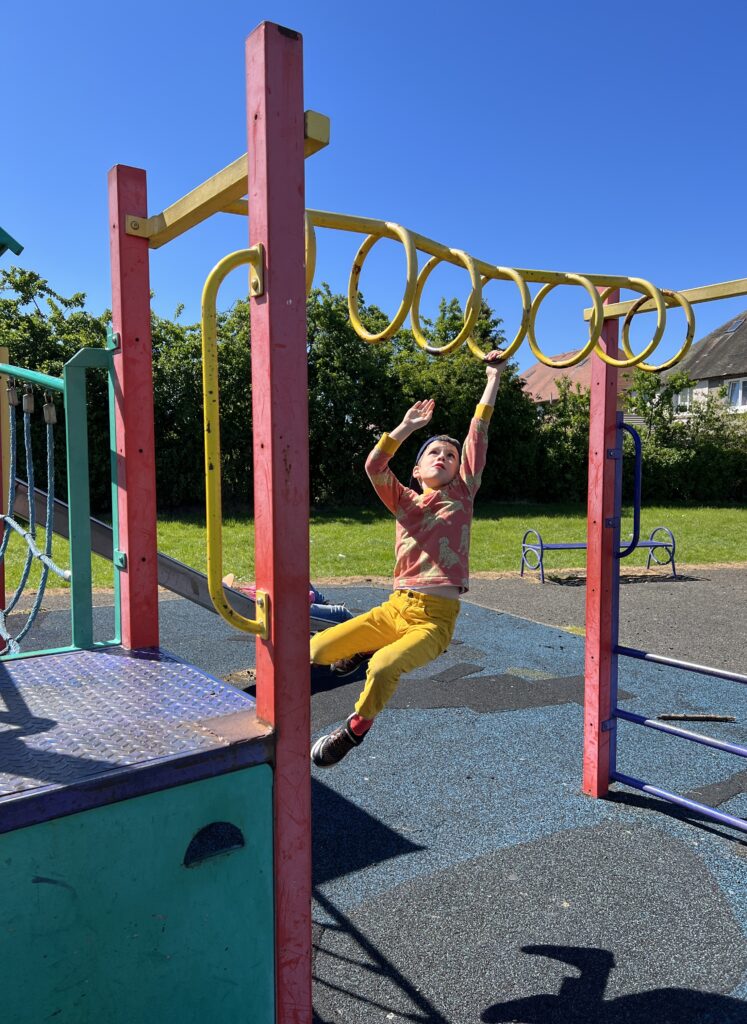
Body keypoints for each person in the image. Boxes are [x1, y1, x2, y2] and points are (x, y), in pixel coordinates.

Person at [310, 349, 506, 767]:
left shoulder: (462, 494)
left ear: (460, 470)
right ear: (416, 470)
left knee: (383, 667)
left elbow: (479, 432)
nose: (444, 457)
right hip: (395, 608)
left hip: (435, 619)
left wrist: (493, 376)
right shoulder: (404, 501)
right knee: (315, 651)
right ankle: (358, 651)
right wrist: (406, 426)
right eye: (434, 453)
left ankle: (353, 731)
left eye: (451, 456)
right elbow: (375, 463)